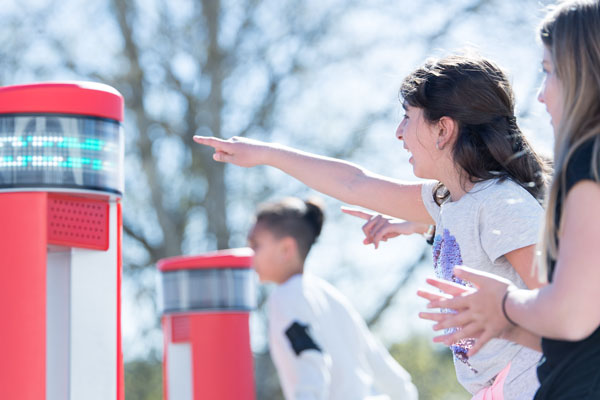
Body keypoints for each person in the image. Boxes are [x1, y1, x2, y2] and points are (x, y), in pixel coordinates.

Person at [194, 54, 548, 398]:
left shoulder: (502, 204)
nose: (399, 132)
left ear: (442, 129)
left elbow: (559, 307)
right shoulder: (447, 203)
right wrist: (265, 155)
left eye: (407, 118)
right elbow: (355, 183)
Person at [418, 1, 600, 399]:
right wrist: (504, 322)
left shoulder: (589, 160)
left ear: (584, 71)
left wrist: (503, 304)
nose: (540, 95)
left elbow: (572, 318)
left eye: (550, 72)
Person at [248, 197, 418, 400]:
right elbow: (385, 369)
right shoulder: (332, 296)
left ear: (286, 249)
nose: (248, 254)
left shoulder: (285, 297)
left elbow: (310, 359)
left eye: (255, 245)